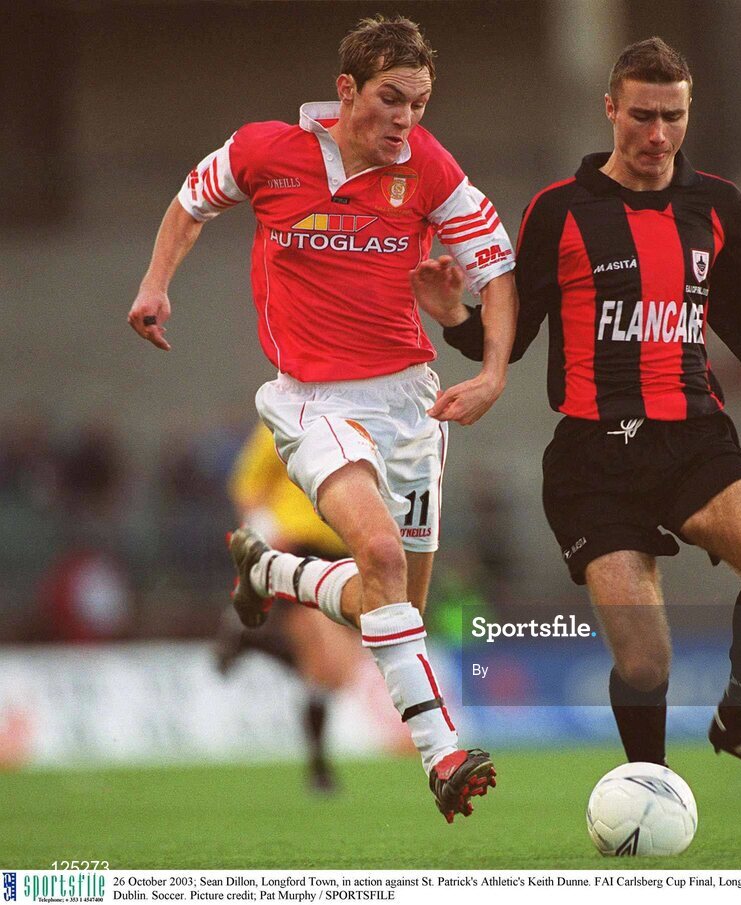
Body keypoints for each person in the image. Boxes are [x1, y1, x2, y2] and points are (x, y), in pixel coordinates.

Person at [419, 37, 741, 801]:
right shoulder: (558, 211)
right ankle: (654, 792)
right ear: (610, 109)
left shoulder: (718, 207)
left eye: (673, 117)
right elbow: (517, 325)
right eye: (641, 115)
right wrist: (456, 319)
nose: (657, 135)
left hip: (693, 438)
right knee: (644, 662)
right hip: (593, 461)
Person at [128, 15, 516, 822]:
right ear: (346, 91)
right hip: (313, 398)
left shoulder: (430, 167)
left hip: (410, 399)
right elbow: (190, 202)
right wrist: (155, 283)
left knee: (394, 604)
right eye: (391, 99)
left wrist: (492, 371)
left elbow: (497, 265)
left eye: (419, 102)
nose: (406, 118)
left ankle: (274, 573)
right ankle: (442, 753)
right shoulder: (266, 152)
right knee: (374, 550)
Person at [219, 422, 367, 794]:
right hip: (300, 544)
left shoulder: (360, 419)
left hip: (348, 548)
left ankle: (252, 642)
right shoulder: (281, 422)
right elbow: (247, 485)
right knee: (324, 661)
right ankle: (319, 766)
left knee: (335, 672)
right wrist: (269, 530)